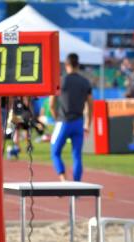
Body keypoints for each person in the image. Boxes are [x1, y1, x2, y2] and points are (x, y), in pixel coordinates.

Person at [49, 53, 93, 182]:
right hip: (78, 123)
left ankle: (63, 180)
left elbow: (51, 104)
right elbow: (90, 105)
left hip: (63, 122)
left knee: (55, 152)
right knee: (77, 156)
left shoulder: (60, 81)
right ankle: (77, 185)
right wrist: (87, 124)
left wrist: (56, 118)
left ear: (66, 65)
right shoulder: (85, 82)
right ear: (78, 65)